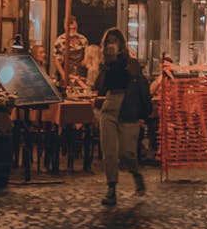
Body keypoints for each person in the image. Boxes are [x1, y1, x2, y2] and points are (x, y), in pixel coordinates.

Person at [94, 27, 151, 207]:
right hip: (110, 106)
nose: (110, 45)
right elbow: (100, 87)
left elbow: (140, 86)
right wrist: (106, 64)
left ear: (121, 44)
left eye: (113, 41)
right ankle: (111, 189)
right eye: (107, 42)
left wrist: (142, 112)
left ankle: (135, 173)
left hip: (127, 107)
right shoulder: (106, 64)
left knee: (127, 153)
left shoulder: (130, 62)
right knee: (109, 152)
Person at [53, 16, 89, 84]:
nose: (72, 30)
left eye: (74, 28)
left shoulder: (83, 39)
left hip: (81, 75)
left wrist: (85, 61)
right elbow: (57, 60)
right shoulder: (59, 41)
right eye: (70, 28)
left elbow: (86, 55)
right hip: (67, 74)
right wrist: (63, 74)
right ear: (65, 27)